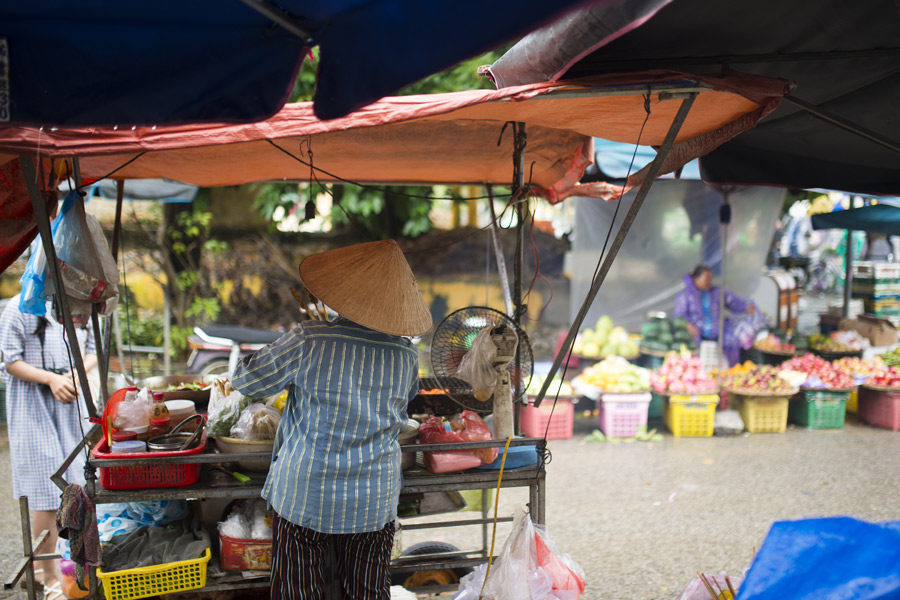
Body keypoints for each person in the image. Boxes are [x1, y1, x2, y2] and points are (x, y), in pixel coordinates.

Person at [231, 240, 432, 600]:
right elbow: (402, 409)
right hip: (374, 498)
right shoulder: (405, 354)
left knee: (299, 593)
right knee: (367, 594)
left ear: (345, 294)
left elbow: (246, 380)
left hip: (308, 493)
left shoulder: (310, 339)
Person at [0, 294, 96, 600]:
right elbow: (10, 360)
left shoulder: (77, 304)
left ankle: (72, 567)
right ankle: (44, 574)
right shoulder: (19, 307)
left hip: (69, 399)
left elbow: (93, 351)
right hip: (33, 404)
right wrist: (50, 380)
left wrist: (73, 376)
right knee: (46, 489)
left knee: (74, 482)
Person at [673, 266, 756, 365]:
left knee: (729, 346)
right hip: (697, 336)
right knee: (696, 359)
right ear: (696, 278)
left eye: (711, 278)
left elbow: (733, 302)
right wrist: (688, 325)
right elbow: (679, 316)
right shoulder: (685, 295)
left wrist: (745, 307)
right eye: (707, 278)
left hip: (718, 336)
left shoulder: (717, 292)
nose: (710, 281)